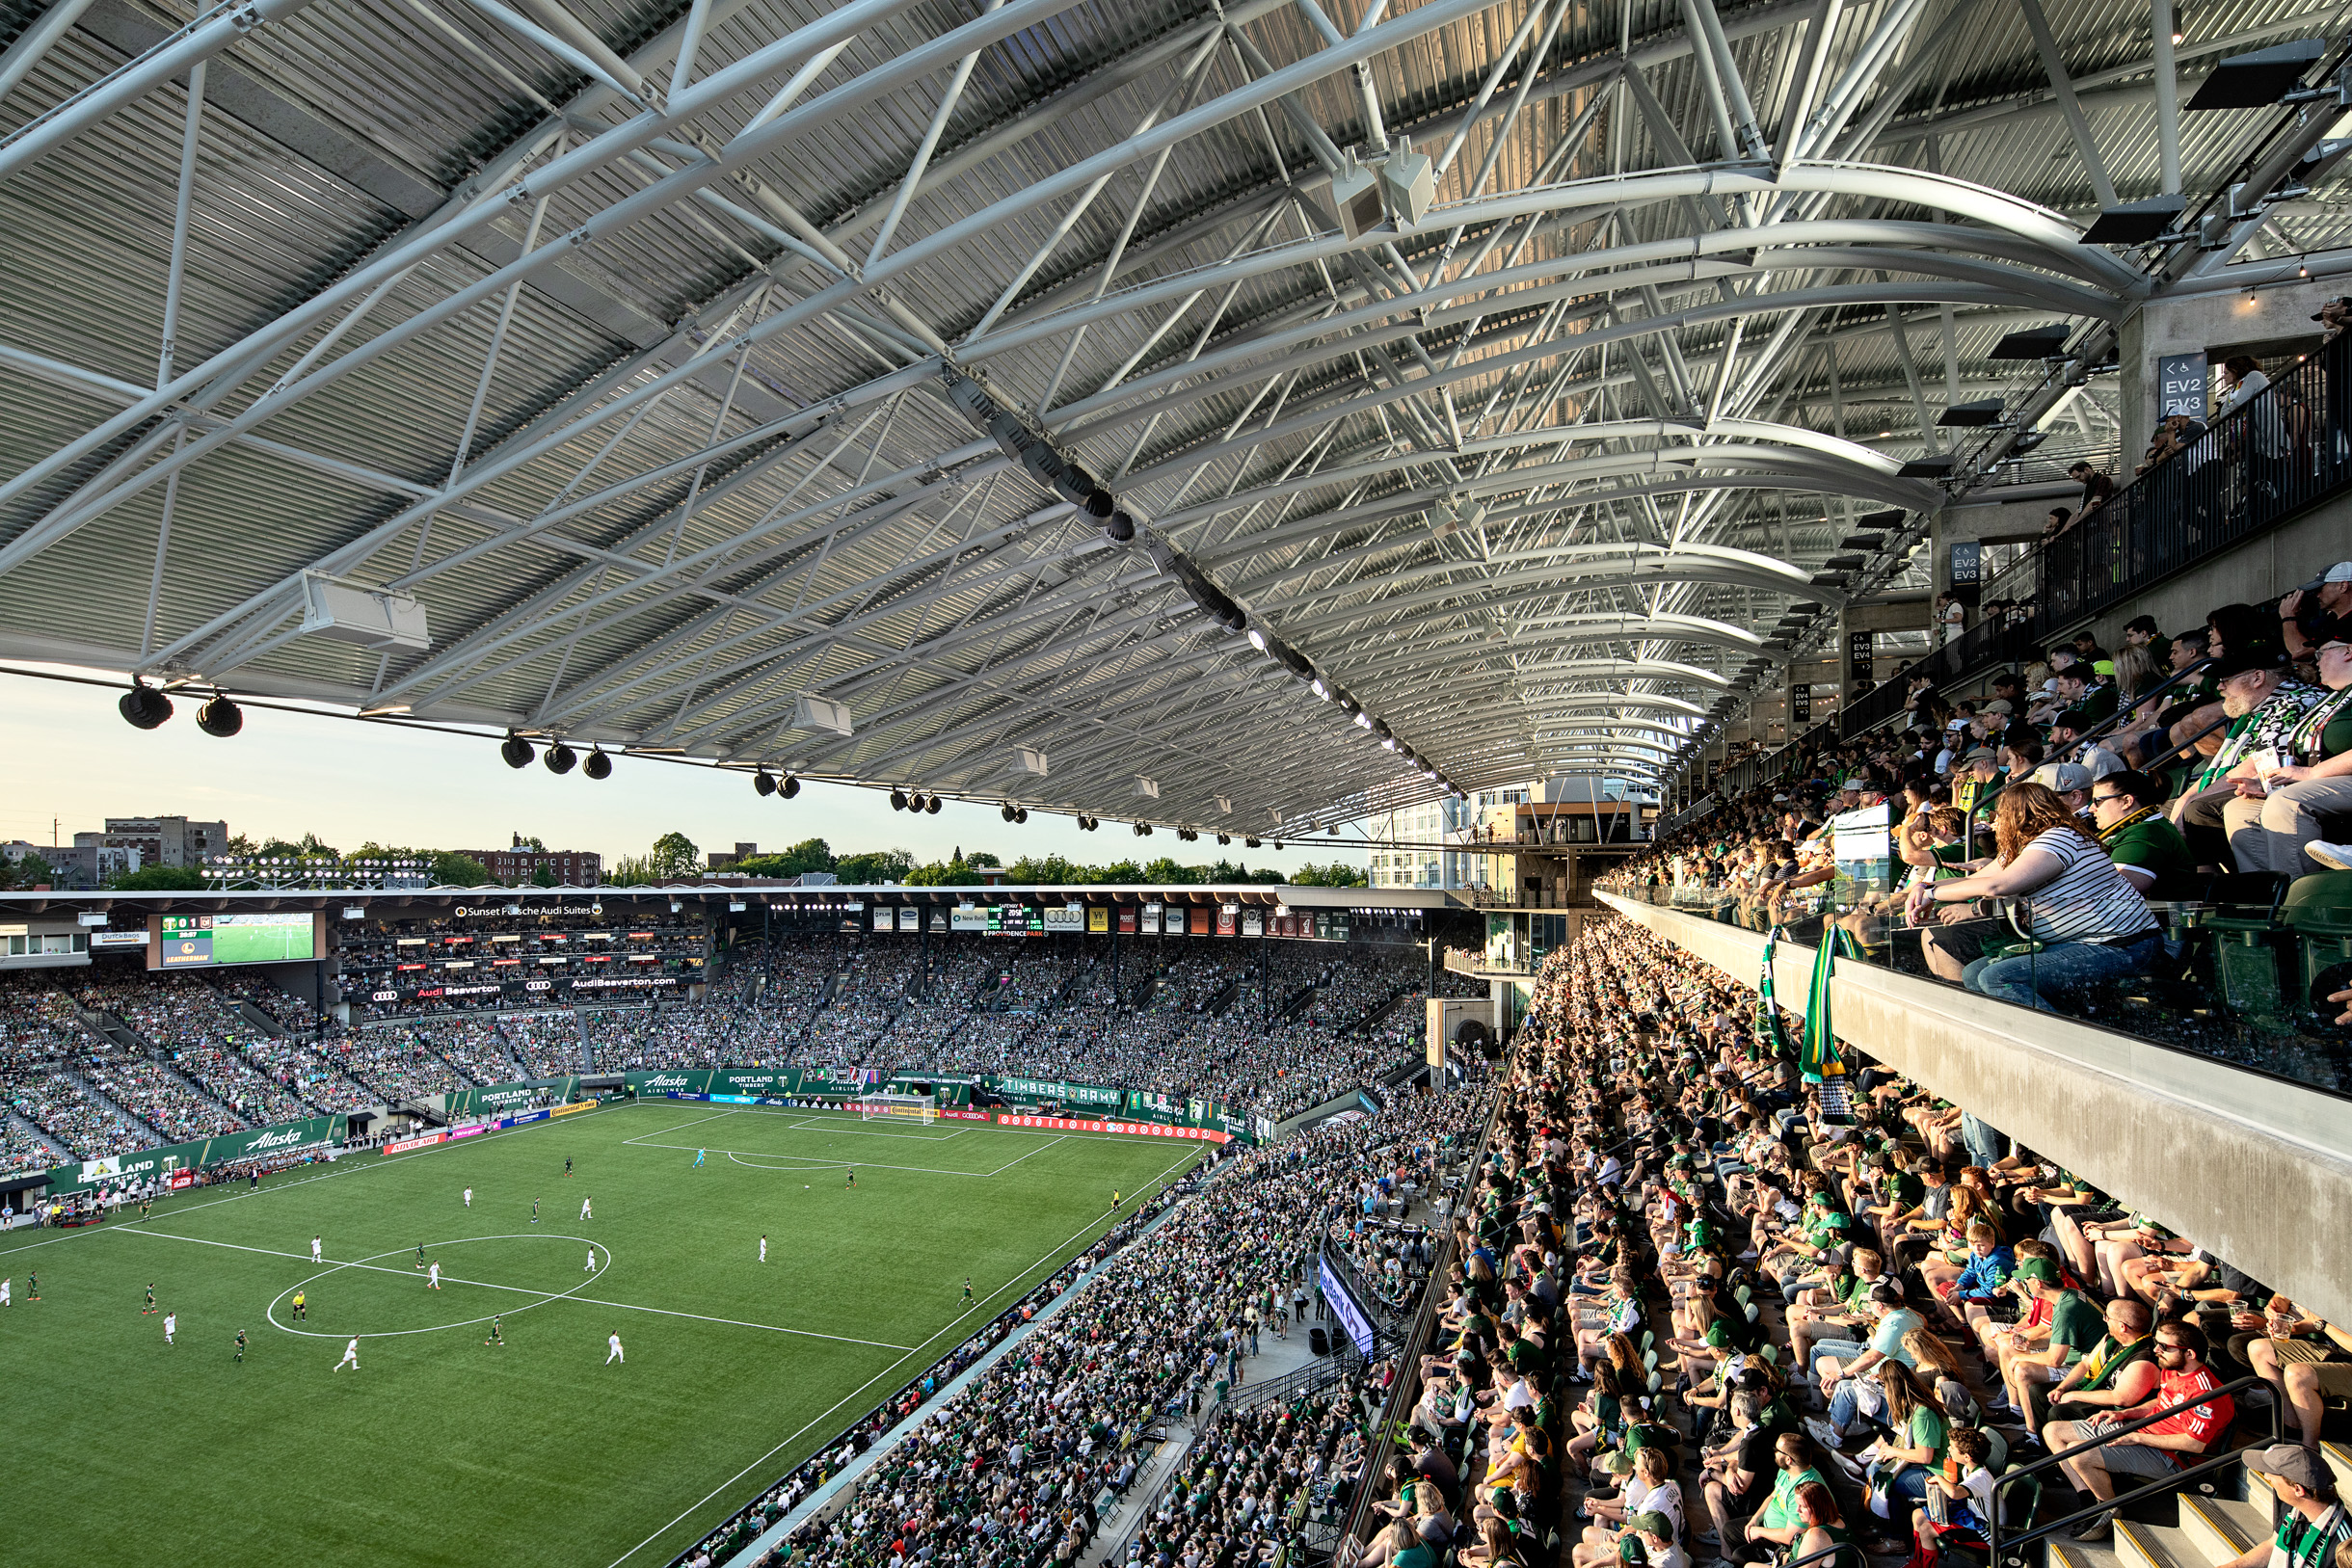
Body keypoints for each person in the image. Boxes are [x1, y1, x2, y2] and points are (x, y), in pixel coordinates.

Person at [1911, 783, 2161, 1008]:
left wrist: (1933, 894)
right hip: (2084, 943)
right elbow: (1974, 880)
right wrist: (1924, 888)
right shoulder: (2026, 846)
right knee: (1974, 973)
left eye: (2000, 816)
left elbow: (1997, 886)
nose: (1995, 823)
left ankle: (2055, 1046)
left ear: (2019, 816)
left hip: (2125, 946)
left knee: (1996, 977)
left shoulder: (2060, 837)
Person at [2046, 1320, 2232, 1539]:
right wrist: (2125, 1414)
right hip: (2143, 1434)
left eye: (2164, 1346)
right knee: (2054, 1431)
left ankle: (2107, 1512)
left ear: (2189, 1353)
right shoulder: (2173, 1370)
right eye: (2157, 1343)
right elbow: (2160, 1403)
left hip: (2173, 1458)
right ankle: (2088, 1498)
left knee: (2081, 1454)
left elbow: (2194, 1444)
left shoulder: (2206, 1394)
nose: (2156, 1350)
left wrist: (2136, 1438)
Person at [2223, 634, 2352, 873]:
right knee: (2240, 809)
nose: (2317, 663)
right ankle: (2264, 900)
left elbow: (2312, 769)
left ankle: (2297, 899)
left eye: (2321, 654)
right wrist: (2269, 782)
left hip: (2340, 779)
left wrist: (2310, 772)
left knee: (2287, 802)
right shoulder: (2334, 698)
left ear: (2348, 651)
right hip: (2324, 780)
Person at [2213, 1444, 2351, 1568]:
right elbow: (2274, 1544)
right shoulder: (2293, 1506)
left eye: (2272, 1474)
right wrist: (2234, 1566)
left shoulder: (2342, 1543)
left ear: (2298, 1490)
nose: (2266, 1476)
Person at [2090, 771, 2196, 897]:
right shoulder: (2142, 828)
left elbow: (2112, 890)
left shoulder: (2146, 834)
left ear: (2126, 801)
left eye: (2098, 801)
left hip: (2156, 916)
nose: (2091, 809)